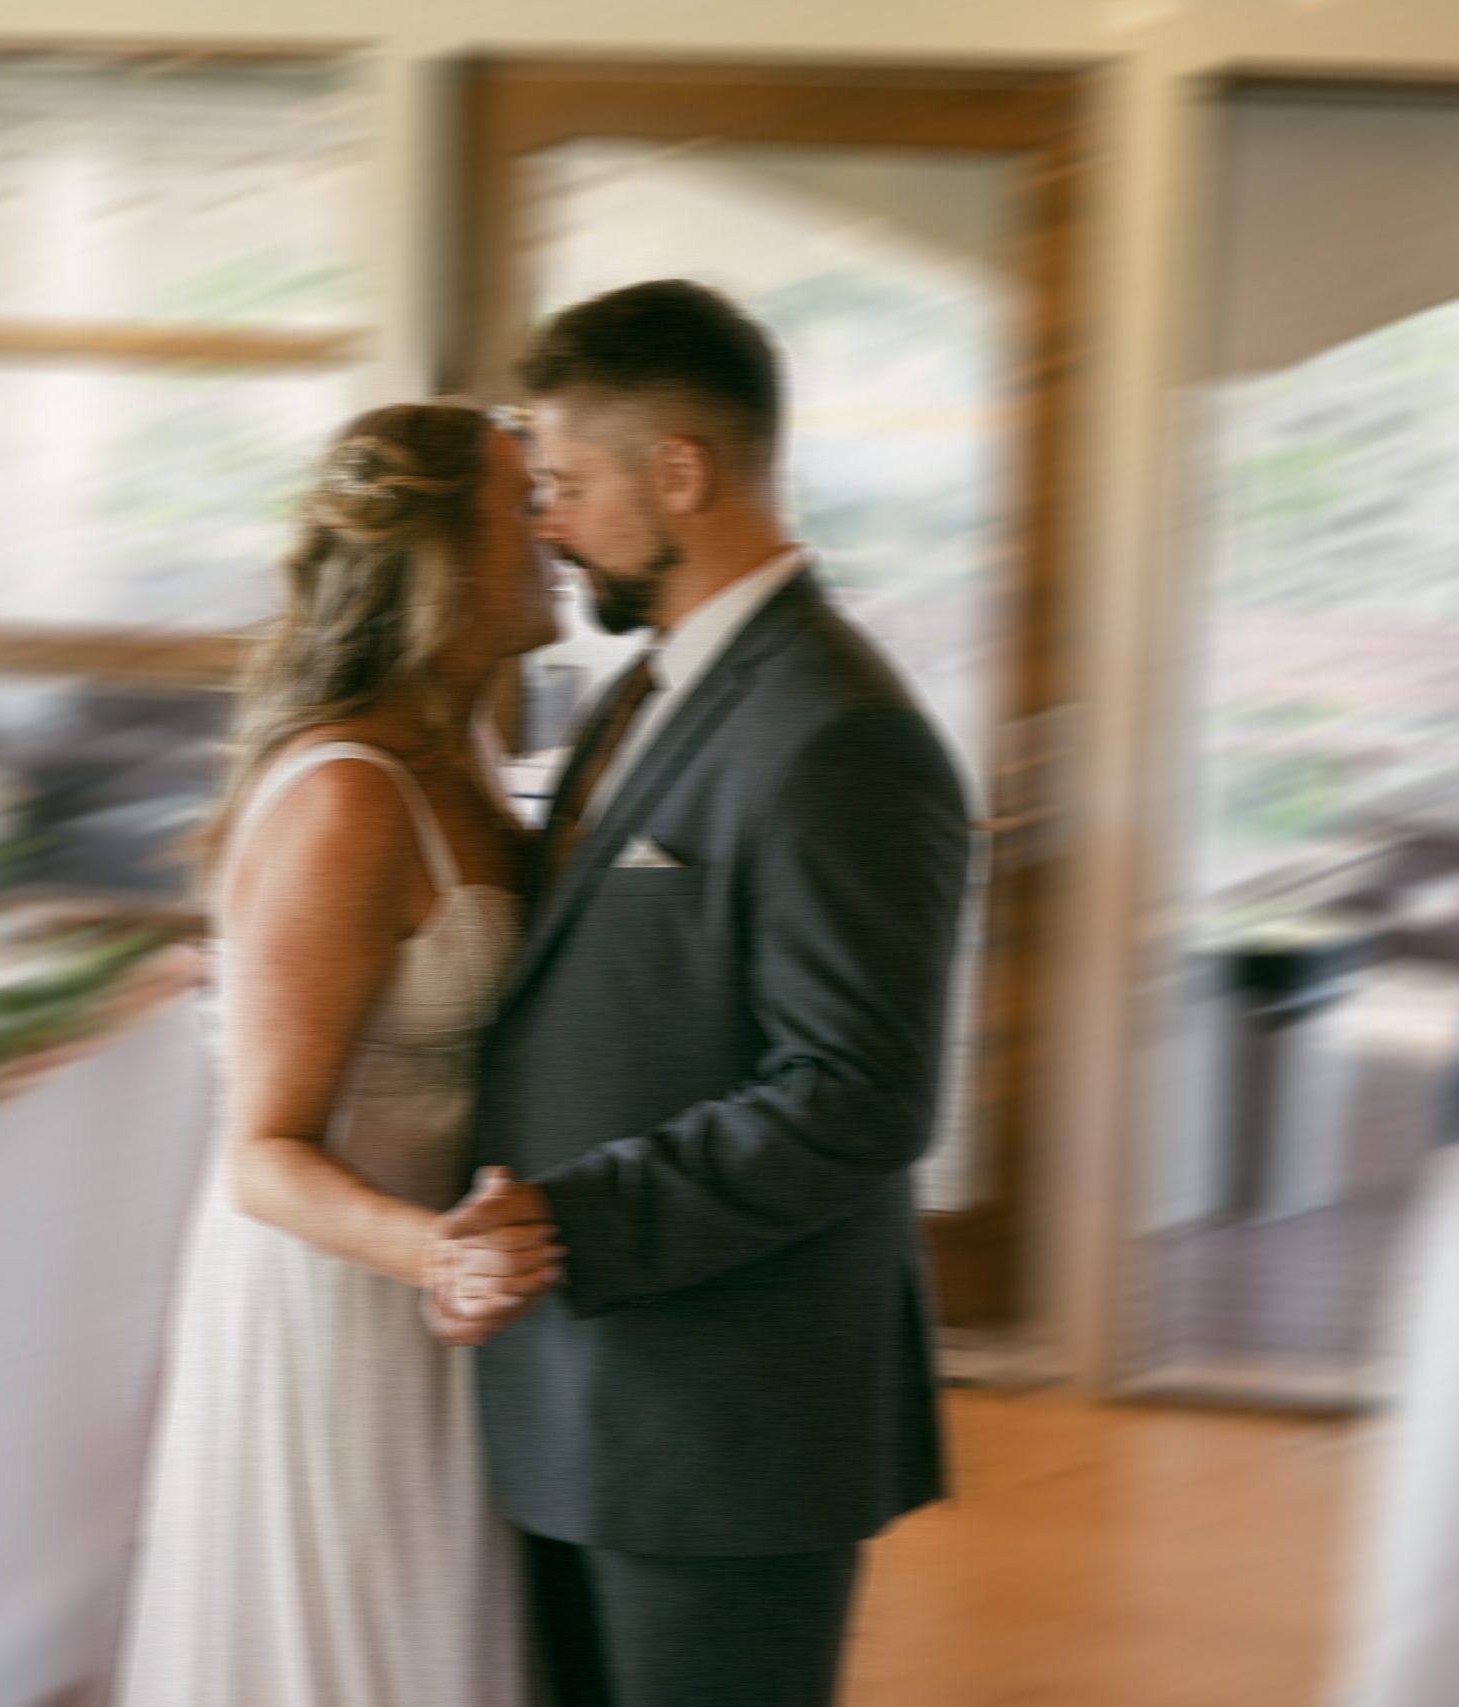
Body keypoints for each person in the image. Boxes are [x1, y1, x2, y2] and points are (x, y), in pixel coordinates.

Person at [423, 280, 972, 1707]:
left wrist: (573, 1221)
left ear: (679, 473)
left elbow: (859, 1095)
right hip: (592, 1395)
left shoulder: (843, 734)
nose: (545, 523)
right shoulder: (644, 686)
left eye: (564, 484)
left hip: (727, 1423)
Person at [115, 402, 565, 1706]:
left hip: (445, 1294)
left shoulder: (467, 743)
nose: (549, 526)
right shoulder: (346, 796)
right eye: (520, 502)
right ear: (445, 554)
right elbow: (261, 1153)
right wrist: (442, 1255)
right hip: (343, 1299)